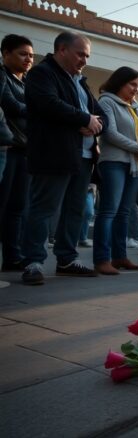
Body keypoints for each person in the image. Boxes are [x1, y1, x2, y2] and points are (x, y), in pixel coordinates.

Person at [20, 32, 107, 285]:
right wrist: (83, 119)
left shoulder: (80, 82)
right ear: (61, 50)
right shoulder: (42, 73)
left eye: (87, 56)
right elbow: (48, 103)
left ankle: (67, 259)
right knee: (43, 208)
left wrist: (94, 123)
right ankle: (33, 262)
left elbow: (100, 115)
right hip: (53, 153)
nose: (84, 60)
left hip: (82, 156)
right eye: (80, 54)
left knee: (74, 210)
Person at [92, 66, 138, 274]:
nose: (136, 89)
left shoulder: (136, 107)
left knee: (124, 213)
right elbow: (109, 133)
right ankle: (102, 259)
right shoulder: (106, 101)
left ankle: (119, 257)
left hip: (135, 165)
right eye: (132, 84)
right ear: (120, 82)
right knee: (109, 210)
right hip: (114, 163)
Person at [0, 34, 33, 272]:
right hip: (7, 147)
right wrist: (38, 109)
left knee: (18, 207)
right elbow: (9, 103)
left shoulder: (28, 81)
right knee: (2, 205)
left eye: (31, 55)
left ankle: (13, 257)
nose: (28, 59)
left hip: (25, 150)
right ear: (5, 53)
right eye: (23, 54)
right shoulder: (2, 76)